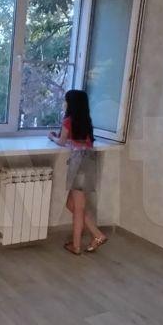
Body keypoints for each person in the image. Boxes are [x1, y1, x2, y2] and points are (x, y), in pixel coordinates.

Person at [48, 89, 108, 255]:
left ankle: (78, 245)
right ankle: (96, 235)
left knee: (78, 207)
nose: (64, 103)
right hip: (89, 161)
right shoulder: (86, 121)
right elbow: (79, 141)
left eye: (66, 100)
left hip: (78, 163)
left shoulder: (69, 120)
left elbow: (61, 142)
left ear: (71, 104)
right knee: (72, 205)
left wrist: (52, 137)